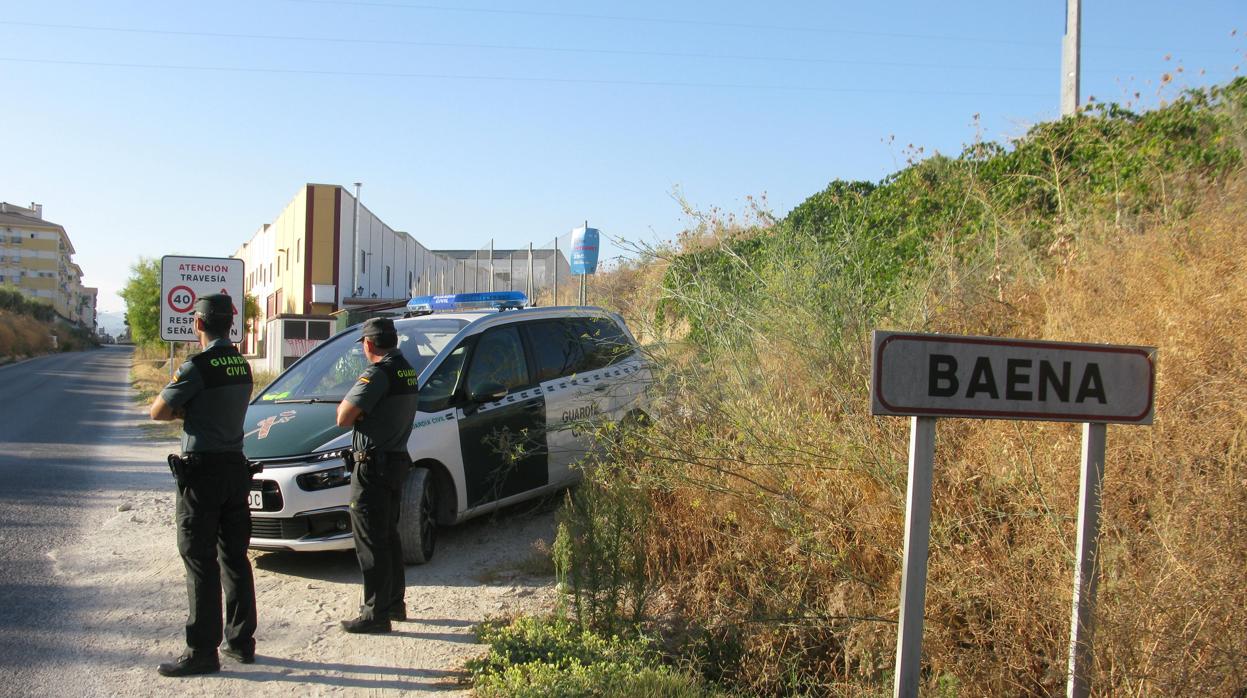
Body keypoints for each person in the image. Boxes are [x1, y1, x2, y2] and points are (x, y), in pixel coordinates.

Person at [149, 293, 256, 676]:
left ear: (197, 324)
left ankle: (202, 652)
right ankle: (241, 642)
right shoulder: (242, 366)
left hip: (203, 473)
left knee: (199, 560)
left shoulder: (197, 367)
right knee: (235, 558)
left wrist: (187, 411)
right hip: (235, 469)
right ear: (230, 324)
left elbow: (158, 410)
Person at [336, 317, 419, 634]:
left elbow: (343, 417)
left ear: (369, 344)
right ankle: (394, 604)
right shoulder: (406, 370)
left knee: (370, 540)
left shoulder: (378, 373)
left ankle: (375, 613)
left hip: (372, 466)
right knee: (388, 536)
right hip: (396, 461)